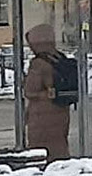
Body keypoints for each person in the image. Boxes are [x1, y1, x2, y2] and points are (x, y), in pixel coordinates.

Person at [23, 24, 72, 161]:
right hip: (61, 110)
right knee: (59, 145)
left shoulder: (38, 63)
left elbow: (30, 91)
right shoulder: (59, 57)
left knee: (41, 150)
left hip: (42, 114)